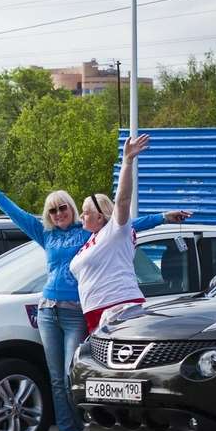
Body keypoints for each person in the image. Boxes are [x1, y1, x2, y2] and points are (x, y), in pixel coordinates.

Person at [0, 150, 190, 431]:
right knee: (55, 377)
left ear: (74, 209)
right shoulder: (46, 235)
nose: (58, 213)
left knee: (70, 374)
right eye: (52, 210)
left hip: (78, 312)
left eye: (63, 208)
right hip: (48, 310)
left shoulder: (89, 232)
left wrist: (162, 218)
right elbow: (17, 214)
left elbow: (127, 222)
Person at [71, 133, 191, 333]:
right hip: (95, 310)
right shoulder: (92, 239)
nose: (81, 216)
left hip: (119, 306)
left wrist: (127, 161)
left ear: (100, 216)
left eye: (86, 212)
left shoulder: (115, 230)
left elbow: (124, 200)